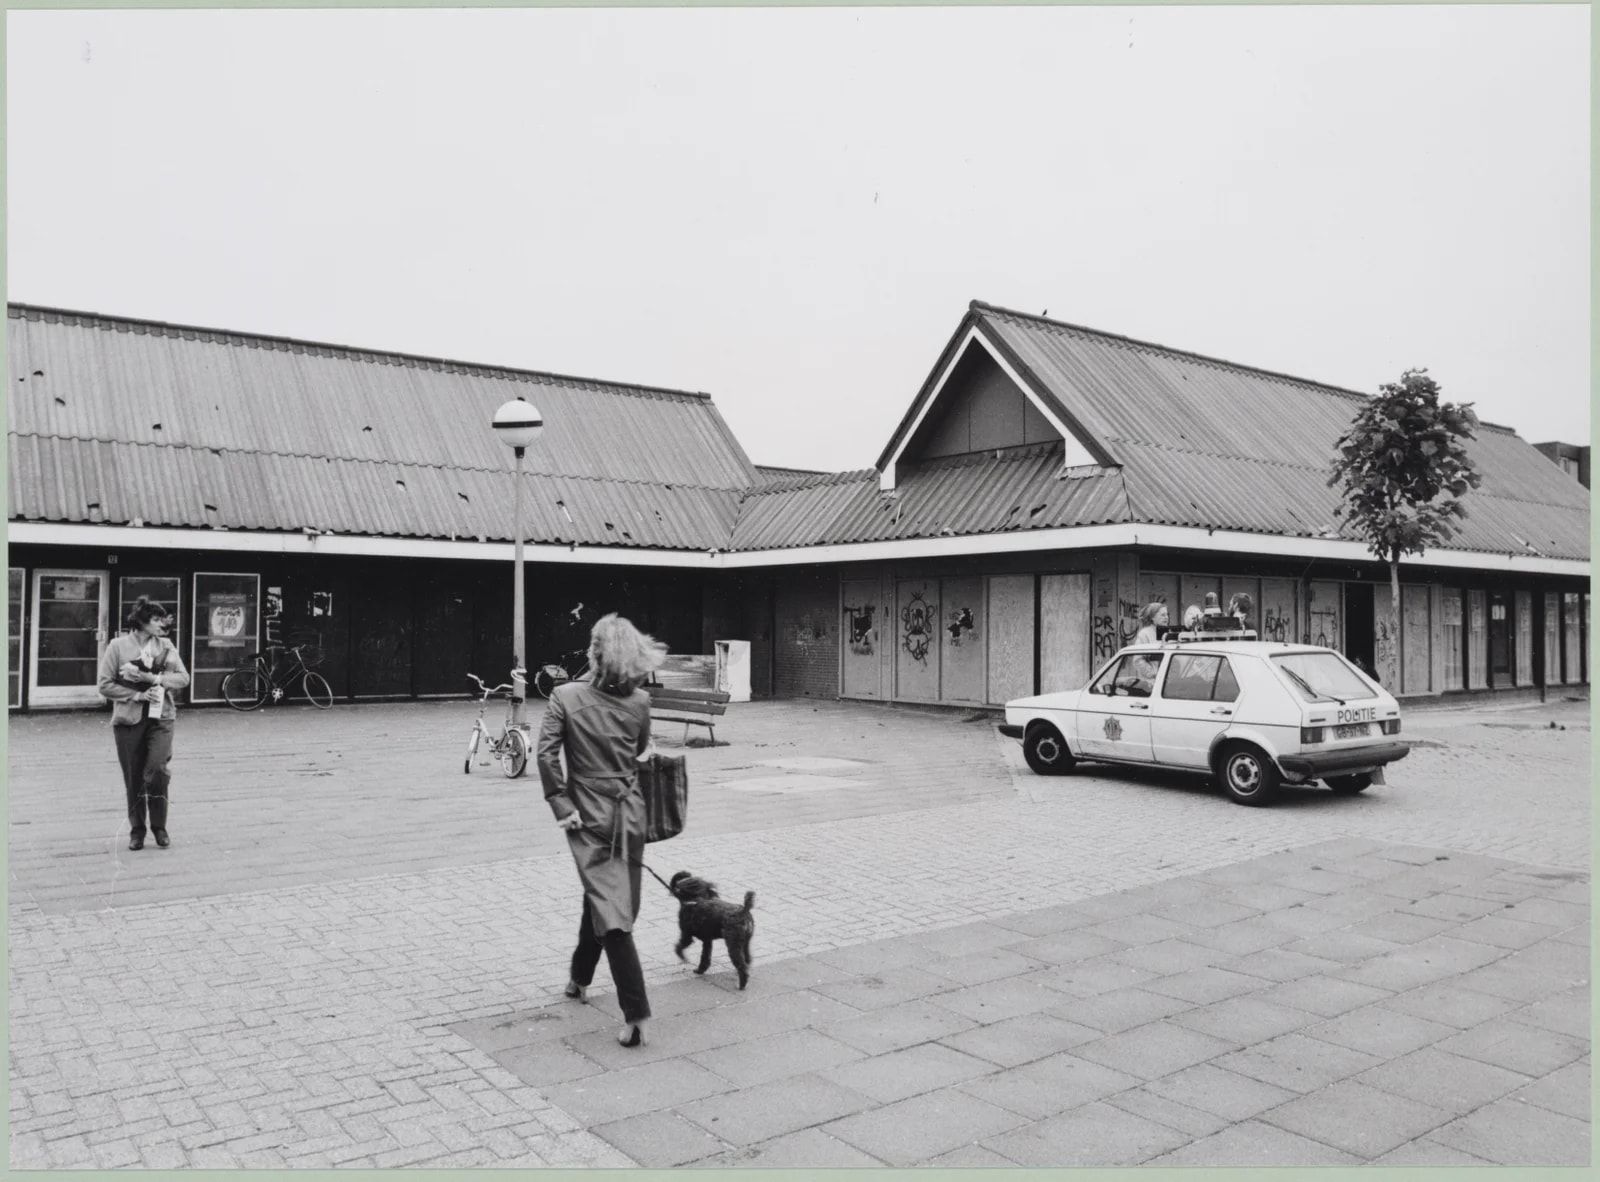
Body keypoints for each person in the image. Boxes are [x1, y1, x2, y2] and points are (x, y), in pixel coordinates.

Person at [537, 613, 666, 1048]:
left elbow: (547, 754)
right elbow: (643, 755)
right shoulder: (642, 702)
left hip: (587, 815)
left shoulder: (564, 696)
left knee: (611, 913)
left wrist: (561, 803)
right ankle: (579, 977)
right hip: (630, 814)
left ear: (594, 653)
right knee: (608, 898)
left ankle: (637, 1015)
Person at [96, 596, 190, 851]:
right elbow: (104, 685)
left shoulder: (166, 646)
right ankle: (137, 831)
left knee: (158, 770)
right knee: (133, 776)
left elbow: (183, 678)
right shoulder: (117, 646)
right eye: (156, 619)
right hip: (128, 719)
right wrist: (136, 694)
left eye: (163, 619)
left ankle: (159, 826)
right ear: (141, 621)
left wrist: (153, 678)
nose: (163, 624)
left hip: (162, 717)